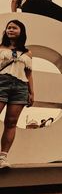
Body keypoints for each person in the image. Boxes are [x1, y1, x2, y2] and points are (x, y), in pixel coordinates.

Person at [0, 20, 34, 168]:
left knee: (11, 122)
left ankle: (3, 157)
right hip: (1, 82)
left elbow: (29, 73)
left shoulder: (27, 52)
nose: (10, 30)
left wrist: (32, 92)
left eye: (14, 27)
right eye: (8, 27)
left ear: (21, 31)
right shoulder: (0, 48)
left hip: (20, 86)